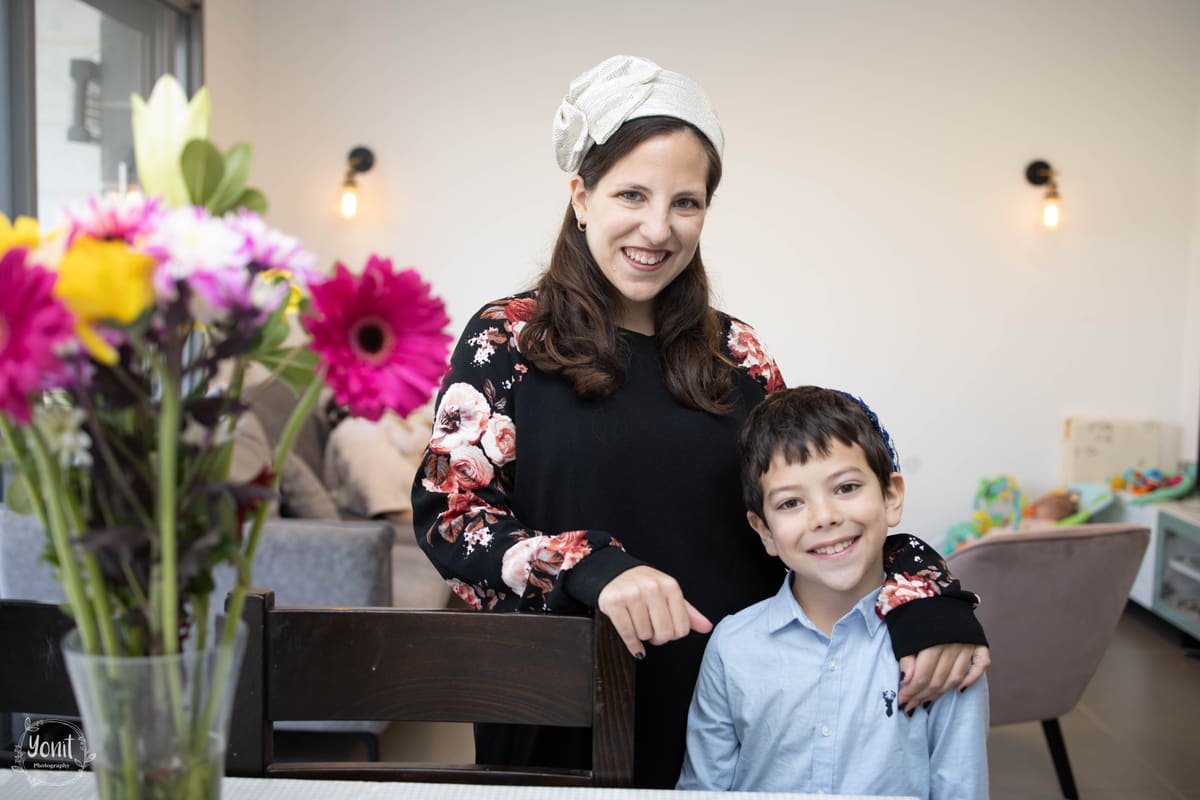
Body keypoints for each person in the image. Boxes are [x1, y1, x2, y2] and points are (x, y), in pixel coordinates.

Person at [411, 54, 989, 788]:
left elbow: (827, 497)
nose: (659, 228)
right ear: (581, 196)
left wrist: (926, 590)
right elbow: (451, 516)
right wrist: (592, 566)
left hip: (740, 702)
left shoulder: (737, 351)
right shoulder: (509, 339)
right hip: (560, 702)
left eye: (687, 202)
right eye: (632, 194)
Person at [677, 387, 988, 796]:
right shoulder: (733, 647)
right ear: (764, 531)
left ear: (891, 497)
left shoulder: (940, 651)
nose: (824, 517)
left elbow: (960, 788)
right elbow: (703, 789)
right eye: (790, 503)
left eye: (845, 488)